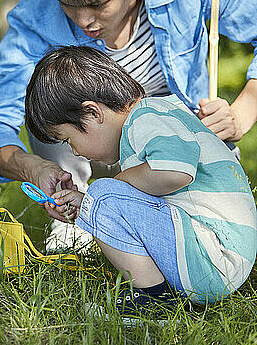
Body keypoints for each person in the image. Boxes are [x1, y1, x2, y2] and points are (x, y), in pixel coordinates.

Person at [0, 0, 257, 251]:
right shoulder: (36, 15)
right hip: (84, 150)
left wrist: (242, 113)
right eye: (68, 4)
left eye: (98, 3)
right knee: (50, 108)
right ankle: (75, 225)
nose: (84, 20)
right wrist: (33, 167)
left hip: (173, 151)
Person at [24, 46, 256, 314]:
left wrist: (109, 193)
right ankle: (156, 294)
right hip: (214, 256)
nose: (75, 152)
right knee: (102, 197)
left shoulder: (145, 118)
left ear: (93, 113)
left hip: (213, 257)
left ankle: (152, 303)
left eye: (69, 140)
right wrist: (89, 206)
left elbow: (175, 172)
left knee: (103, 192)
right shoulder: (155, 116)